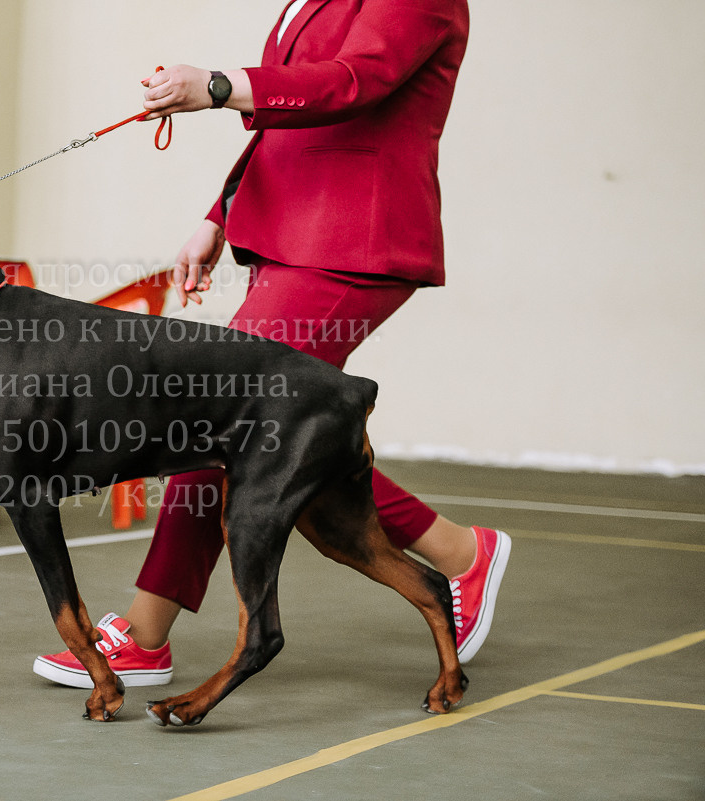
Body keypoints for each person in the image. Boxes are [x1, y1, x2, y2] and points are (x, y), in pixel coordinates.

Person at [33, 0, 512, 690]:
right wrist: (220, 213)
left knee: (214, 420)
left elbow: (352, 81)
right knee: (262, 436)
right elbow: (289, 116)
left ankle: (144, 635)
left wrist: (220, 85)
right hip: (292, 232)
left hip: (352, 241)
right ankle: (460, 550)